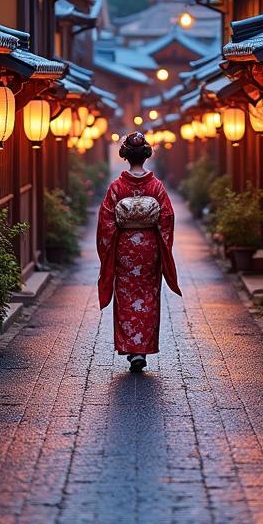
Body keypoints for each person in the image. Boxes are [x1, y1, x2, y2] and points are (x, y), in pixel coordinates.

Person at [96, 131, 181, 372]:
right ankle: (142, 349)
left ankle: (131, 349)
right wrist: (159, 239)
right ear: (145, 155)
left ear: (125, 155)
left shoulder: (117, 186)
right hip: (149, 249)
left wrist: (110, 247)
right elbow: (167, 217)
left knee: (126, 297)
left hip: (125, 249)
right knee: (148, 297)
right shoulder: (156, 186)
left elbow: (105, 221)